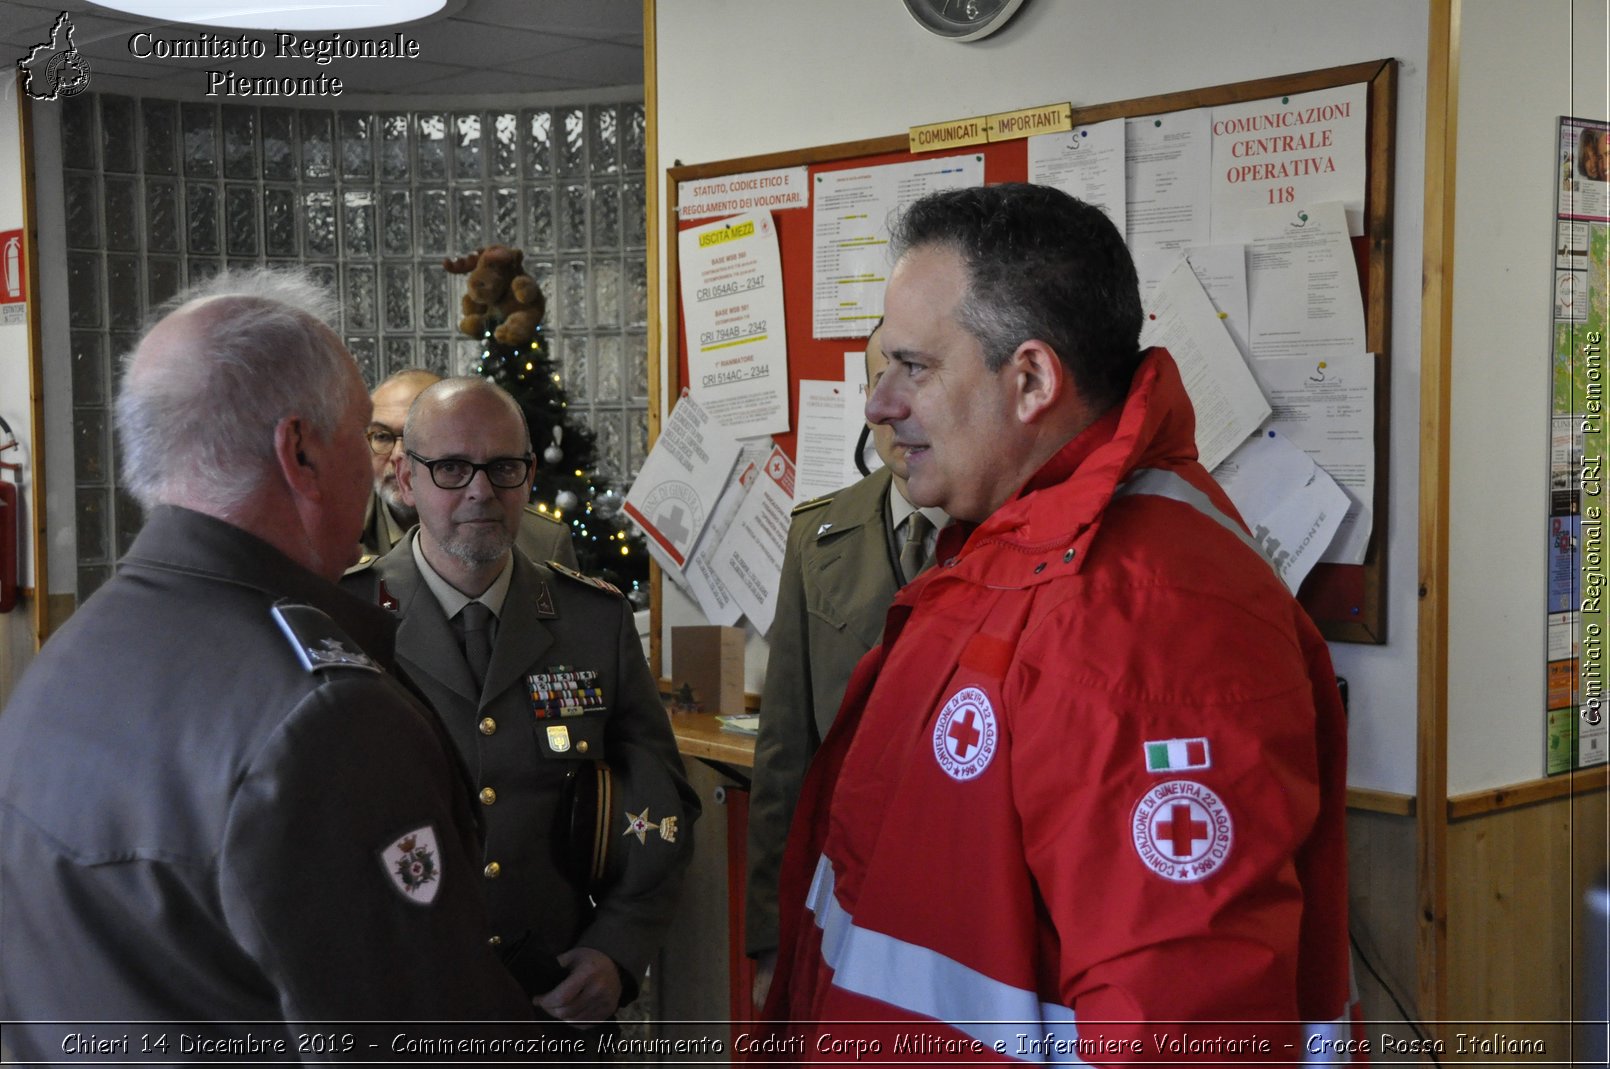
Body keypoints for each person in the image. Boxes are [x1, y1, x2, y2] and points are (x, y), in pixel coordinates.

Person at [761, 184, 1354, 1059]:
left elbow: (1179, 1026)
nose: (879, 404)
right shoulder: (1002, 551)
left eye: (913, 367)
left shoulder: (1150, 618)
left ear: (1032, 378)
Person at [0, 270, 539, 1050]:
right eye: (364, 434)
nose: (387, 469)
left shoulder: (62, 667)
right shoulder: (321, 718)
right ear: (301, 452)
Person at [343, 377, 698, 1027]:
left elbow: (663, 807)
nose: (480, 490)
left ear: (530, 475)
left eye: (503, 467)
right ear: (404, 476)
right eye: (451, 467)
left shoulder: (594, 621)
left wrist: (616, 952)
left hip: (553, 1009)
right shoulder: (344, 619)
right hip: (400, 1013)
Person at [744, 322, 947, 1004]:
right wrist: (770, 938)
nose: (890, 404)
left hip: (951, 890)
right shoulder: (818, 532)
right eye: (877, 377)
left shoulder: (1005, 531)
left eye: (915, 375)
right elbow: (784, 754)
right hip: (841, 891)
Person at [361, 366, 577, 570]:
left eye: (415, 436)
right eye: (381, 436)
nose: (400, 452)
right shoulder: (334, 535)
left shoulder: (544, 542)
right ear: (406, 476)